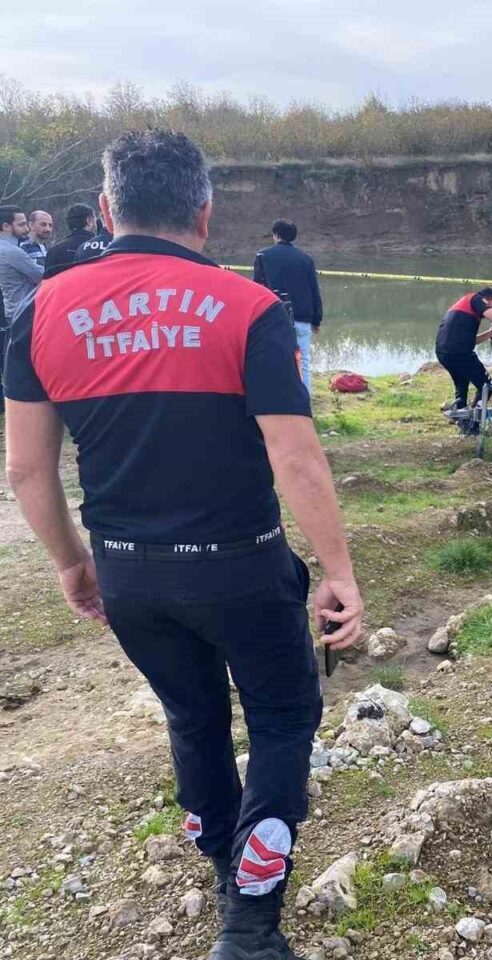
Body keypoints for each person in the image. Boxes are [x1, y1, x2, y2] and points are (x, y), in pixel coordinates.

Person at [3, 129, 363, 960]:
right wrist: (339, 573)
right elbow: (295, 453)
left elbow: (27, 469)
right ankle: (250, 919)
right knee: (281, 714)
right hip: (243, 564)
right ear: (205, 211)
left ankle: (219, 863)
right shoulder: (249, 307)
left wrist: (71, 562)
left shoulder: (42, 310)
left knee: (193, 716)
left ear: (105, 210)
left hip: (130, 572)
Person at [253, 220, 324, 394]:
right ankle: (304, 400)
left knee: (274, 359)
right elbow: (314, 290)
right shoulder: (306, 259)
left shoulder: (263, 256)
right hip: (302, 318)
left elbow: (256, 289)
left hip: (273, 318)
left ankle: (278, 398)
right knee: (303, 360)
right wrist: (316, 319)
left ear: (276, 235)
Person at [435, 288, 492, 429]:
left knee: (461, 384)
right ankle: (474, 422)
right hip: (460, 352)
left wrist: (490, 333)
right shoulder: (476, 299)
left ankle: (462, 420)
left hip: (444, 352)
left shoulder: (466, 309)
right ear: (490, 301)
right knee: (487, 386)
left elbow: (471, 341)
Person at [0, 206, 43, 322]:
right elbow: (41, 275)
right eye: (21, 225)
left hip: (14, 310)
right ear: (6, 227)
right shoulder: (11, 251)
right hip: (23, 312)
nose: (27, 229)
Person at [44, 203, 96, 271]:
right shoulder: (99, 248)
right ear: (88, 220)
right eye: (94, 220)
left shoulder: (54, 251)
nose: (96, 224)